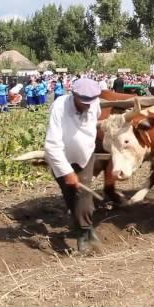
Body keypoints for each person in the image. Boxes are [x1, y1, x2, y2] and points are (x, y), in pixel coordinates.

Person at [44, 78, 103, 253]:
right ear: (73, 95)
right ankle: (87, 227)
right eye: (83, 101)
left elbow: (96, 116)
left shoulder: (94, 102)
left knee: (83, 195)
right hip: (61, 157)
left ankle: (83, 235)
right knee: (70, 196)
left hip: (85, 156)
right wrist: (67, 172)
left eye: (90, 102)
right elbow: (52, 145)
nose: (87, 105)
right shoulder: (59, 107)